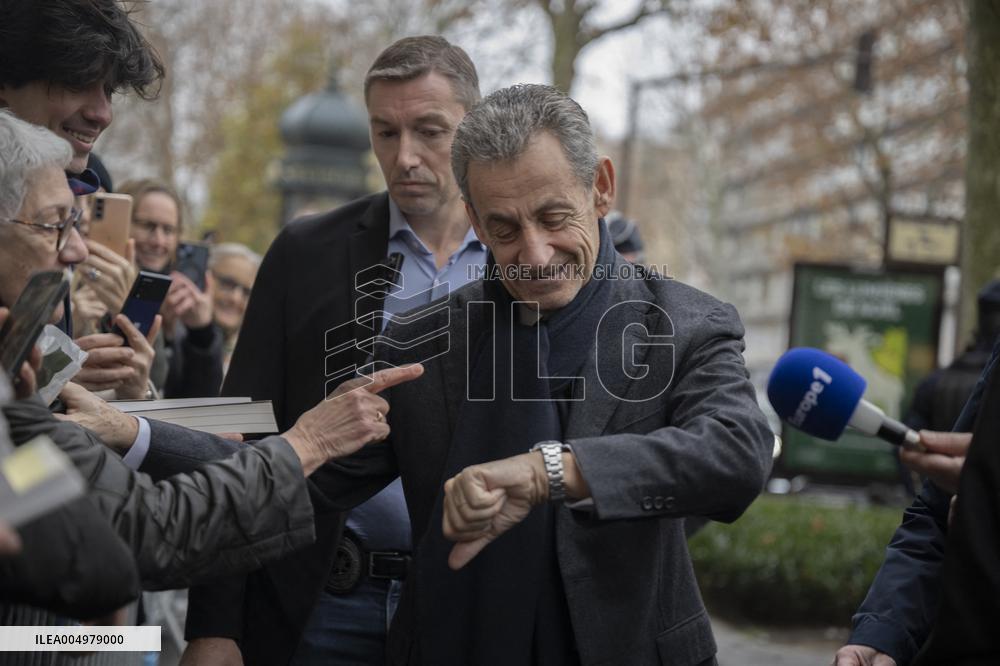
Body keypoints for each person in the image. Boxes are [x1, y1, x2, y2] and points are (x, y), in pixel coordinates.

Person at [195, 83, 773, 665]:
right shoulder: (421, 342)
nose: (536, 253)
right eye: (504, 229)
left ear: (600, 187)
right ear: (473, 217)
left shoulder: (688, 322)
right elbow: (287, 482)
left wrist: (549, 472)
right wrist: (130, 435)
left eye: (553, 218)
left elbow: (736, 453)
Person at [0, 107, 422, 588]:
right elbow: (143, 529)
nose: (75, 249)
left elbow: (83, 529)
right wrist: (307, 443)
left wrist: (136, 404)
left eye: (76, 223)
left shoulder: (21, 388)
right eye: (55, 224)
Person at [182, 36, 486, 666]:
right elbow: (234, 431)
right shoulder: (304, 253)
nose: (404, 157)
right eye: (384, 132)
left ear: (475, 128)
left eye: (430, 131)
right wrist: (214, 627)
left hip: (476, 613)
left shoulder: (525, 264)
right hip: (318, 604)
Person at [119, 177, 224, 398]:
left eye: (168, 230)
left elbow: (200, 404)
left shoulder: (179, 299)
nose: (158, 241)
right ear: (121, 223)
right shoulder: (94, 289)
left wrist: (201, 332)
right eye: (148, 226)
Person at [207, 243, 260, 372]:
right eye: (228, 284)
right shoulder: (171, 337)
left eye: (247, 292)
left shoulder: (256, 361)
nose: (235, 298)